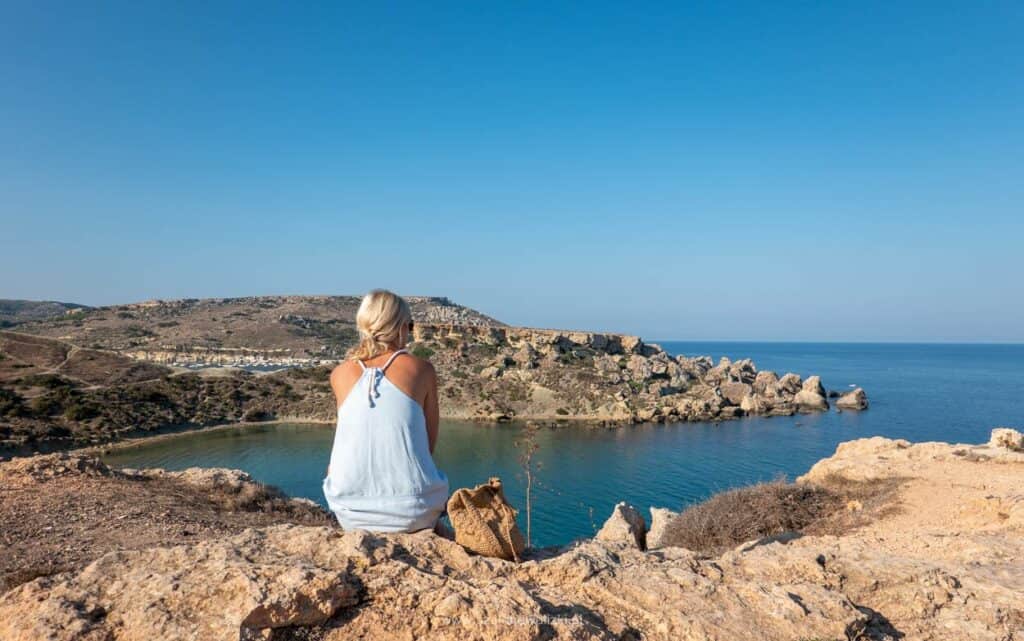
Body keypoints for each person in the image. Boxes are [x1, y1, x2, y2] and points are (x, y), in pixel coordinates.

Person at [322, 289, 449, 532]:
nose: (409, 332)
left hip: (349, 512)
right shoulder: (422, 370)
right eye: (410, 326)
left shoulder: (339, 374)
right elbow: (428, 446)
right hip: (413, 511)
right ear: (400, 327)